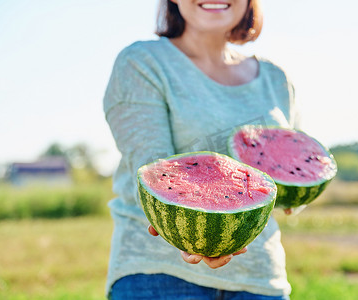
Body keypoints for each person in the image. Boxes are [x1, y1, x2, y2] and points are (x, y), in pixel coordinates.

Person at [103, 0, 300, 299]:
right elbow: (151, 173)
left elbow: (289, 177)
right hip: (158, 279)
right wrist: (192, 233)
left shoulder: (276, 78)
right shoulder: (142, 62)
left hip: (260, 281)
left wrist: (297, 192)